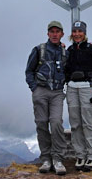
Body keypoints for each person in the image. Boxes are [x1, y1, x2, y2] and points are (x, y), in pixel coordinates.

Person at [25, 21, 68, 175]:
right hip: (41, 91)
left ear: (62, 34)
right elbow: (29, 71)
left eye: (58, 31)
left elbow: (69, 70)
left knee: (56, 122)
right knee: (42, 123)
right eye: (52, 31)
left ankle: (57, 158)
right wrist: (34, 88)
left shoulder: (65, 53)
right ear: (48, 33)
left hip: (57, 92)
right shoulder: (38, 50)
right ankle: (45, 159)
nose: (55, 34)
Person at [65, 21, 92, 171]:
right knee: (75, 124)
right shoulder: (69, 50)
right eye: (74, 31)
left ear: (84, 33)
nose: (77, 34)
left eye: (80, 31)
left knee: (88, 123)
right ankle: (80, 156)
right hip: (72, 88)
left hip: (88, 87)